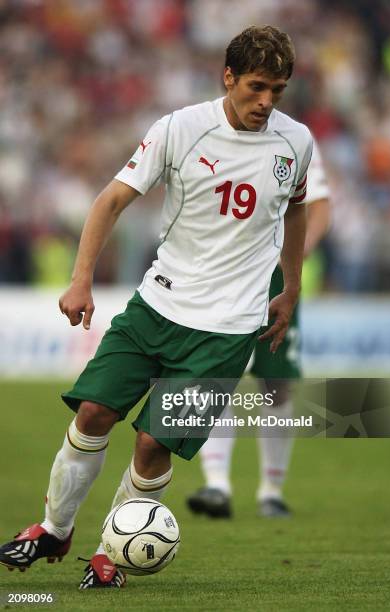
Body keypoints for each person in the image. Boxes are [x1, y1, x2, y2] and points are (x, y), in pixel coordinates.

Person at [0, 25, 313, 589]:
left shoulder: (297, 143)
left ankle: (107, 555)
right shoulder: (180, 128)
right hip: (156, 307)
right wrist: (80, 280)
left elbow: (295, 210)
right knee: (93, 412)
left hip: (227, 331)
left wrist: (290, 286)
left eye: (279, 91)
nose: (267, 102)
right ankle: (53, 527)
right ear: (229, 77)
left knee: (153, 443)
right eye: (258, 87)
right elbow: (111, 199)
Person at [187, 142, 330, 519]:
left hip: (275, 283)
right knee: (217, 378)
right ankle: (217, 484)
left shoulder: (294, 143)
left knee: (277, 383)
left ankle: (271, 489)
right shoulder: (212, 137)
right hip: (225, 276)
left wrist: (296, 254)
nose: (264, 100)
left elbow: (319, 206)